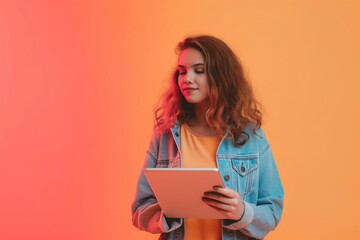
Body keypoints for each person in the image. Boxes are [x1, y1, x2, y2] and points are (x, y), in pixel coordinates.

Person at [131, 35, 284, 240]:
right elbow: (140, 210)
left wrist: (241, 212)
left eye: (199, 70)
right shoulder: (165, 136)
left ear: (221, 76)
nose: (187, 79)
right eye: (182, 71)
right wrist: (168, 211)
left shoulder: (251, 136)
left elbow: (272, 210)